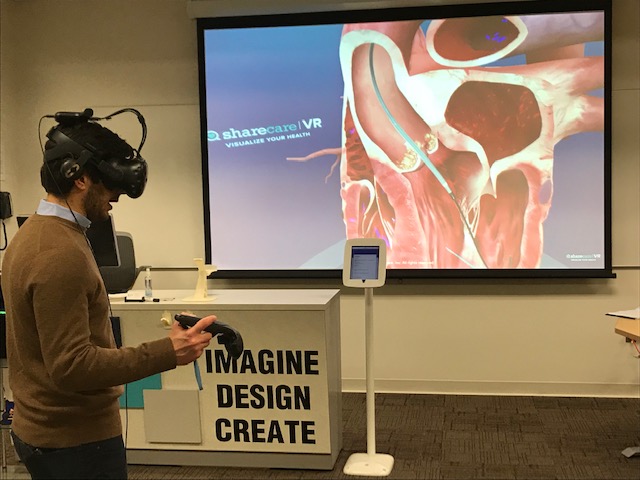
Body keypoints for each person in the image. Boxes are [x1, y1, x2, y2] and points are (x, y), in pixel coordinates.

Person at [0, 109, 216, 479]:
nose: (116, 196)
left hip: (49, 434)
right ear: (80, 178)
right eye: (109, 185)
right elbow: (72, 366)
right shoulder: (59, 253)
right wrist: (168, 351)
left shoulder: (32, 234)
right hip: (75, 444)